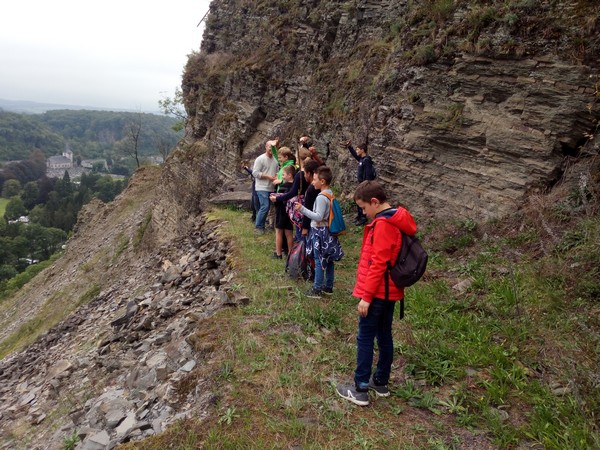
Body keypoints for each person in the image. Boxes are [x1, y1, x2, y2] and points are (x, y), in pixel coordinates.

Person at [336, 180, 417, 407]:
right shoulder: (396, 219)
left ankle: (360, 388)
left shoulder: (383, 224)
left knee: (365, 337)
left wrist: (366, 297)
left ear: (374, 202)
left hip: (378, 292)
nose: (363, 212)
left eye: (363, 208)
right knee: (384, 335)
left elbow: (378, 263)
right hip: (390, 292)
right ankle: (380, 382)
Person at [294, 166, 343, 298]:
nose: (312, 182)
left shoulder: (321, 197)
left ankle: (317, 288)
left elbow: (319, 216)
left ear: (322, 181)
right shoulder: (330, 193)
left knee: (319, 259)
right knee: (329, 260)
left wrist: (302, 209)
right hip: (327, 231)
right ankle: (328, 286)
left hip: (320, 232)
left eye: (315, 179)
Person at [345, 140, 376, 226]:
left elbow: (368, 174)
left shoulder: (367, 160)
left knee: (362, 200)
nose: (357, 151)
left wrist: (365, 184)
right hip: (361, 184)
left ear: (362, 150)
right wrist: (349, 147)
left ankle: (363, 218)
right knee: (358, 199)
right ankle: (359, 216)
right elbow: (355, 155)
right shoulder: (362, 159)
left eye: (358, 149)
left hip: (364, 185)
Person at [252, 139, 279, 234]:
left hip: (271, 187)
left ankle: (266, 225)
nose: (271, 149)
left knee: (269, 208)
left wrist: (276, 176)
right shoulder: (260, 159)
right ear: (266, 147)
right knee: (265, 206)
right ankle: (259, 227)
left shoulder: (276, 160)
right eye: (270, 146)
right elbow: (255, 173)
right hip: (261, 187)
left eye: (273, 147)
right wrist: (267, 176)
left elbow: (277, 172)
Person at [272, 164, 296, 259]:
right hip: (290, 214)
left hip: (281, 212)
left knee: (279, 232)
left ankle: (278, 254)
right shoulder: (295, 187)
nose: (282, 177)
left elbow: (279, 201)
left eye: (283, 175)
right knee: (289, 233)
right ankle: (290, 254)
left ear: (289, 175)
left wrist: (274, 199)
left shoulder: (283, 187)